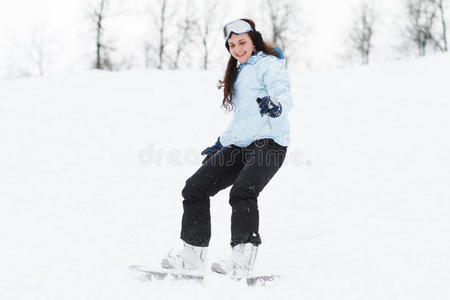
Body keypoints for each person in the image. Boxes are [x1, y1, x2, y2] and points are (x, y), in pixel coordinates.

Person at [161, 18, 293, 277]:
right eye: (231, 45)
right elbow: (242, 119)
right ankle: (192, 255)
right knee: (195, 188)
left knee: (243, 192)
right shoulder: (241, 72)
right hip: (241, 144)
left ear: (254, 41)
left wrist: (276, 105)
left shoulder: (269, 65)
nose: (237, 49)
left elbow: (284, 92)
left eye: (242, 42)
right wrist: (220, 144)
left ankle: (242, 258)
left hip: (271, 143)